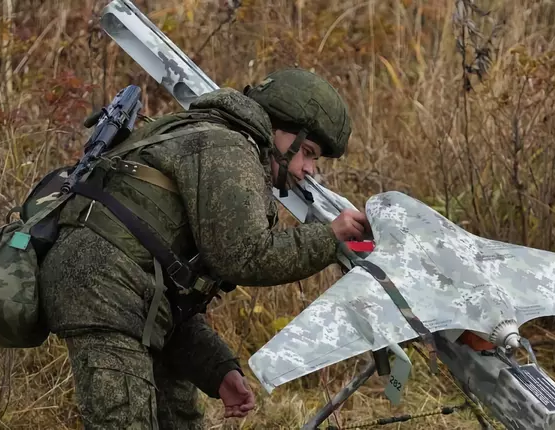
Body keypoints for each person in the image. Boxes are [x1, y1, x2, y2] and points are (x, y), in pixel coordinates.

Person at [37, 67, 370, 429]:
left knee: (181, 419)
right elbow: (246, 256)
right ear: (279, 128)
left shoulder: (217, 139)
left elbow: (171, 288)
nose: (307, 169)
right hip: (103, 293)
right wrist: (329, 235)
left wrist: (217, 369)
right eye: (307, 152)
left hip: (128, 294)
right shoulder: (227, 148)